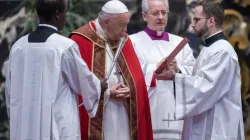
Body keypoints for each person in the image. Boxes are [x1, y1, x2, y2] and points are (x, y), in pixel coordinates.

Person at [4, 0, 108, 139]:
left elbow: (10, 89)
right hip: (56, 124)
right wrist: (99, 85)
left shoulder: (18, 46)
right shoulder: (64, 46)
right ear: (58, 14)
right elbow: (82, 80)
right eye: (64, 13)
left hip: (26, 123)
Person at [158, 1, 245, 139]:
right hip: (204, 121)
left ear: (211, 21)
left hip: (218, 126)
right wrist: (179, 71)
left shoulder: (223, 51)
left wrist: (175, 77)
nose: (193, 24)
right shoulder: (210, 48)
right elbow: (200, 77)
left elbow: (205, 87)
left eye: (197, 19)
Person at [69, 0, 153, 140]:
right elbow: (77, 87)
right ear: (107, 21)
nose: (125, 31)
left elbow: (136, 78)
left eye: (126, 24)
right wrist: (107, 93)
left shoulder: (122, 39)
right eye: (122, 25)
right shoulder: (80, 41)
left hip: (124, 117)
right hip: (101, 117)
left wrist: (130, 89)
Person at [129, 0, 195, 139]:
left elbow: (194, 74)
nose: (161, 17)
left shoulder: (180, 44)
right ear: (144, 15)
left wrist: (177, 70)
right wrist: (155, 69)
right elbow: (128, 72)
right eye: (155, 13)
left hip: (175, 114)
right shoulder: (132, 42)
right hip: (147, 110)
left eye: (164, 13)